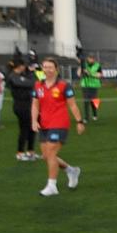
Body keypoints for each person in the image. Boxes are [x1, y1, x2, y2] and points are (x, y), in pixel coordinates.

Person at [31, 58, 85, 196]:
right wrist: (33, 120)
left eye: (50, 67)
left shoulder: (64, 86)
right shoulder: (38, 85)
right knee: (46, 156)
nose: (47, 70)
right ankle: (71, 171)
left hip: (59, 123)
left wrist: (79, 121)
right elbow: (35, 105)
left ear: (56, 69)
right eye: (45, 67)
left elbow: (72, 104)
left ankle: (52, 185)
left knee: (51, 153)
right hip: (44, 124)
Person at [5, 60, 38, 160]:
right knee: (24, 129)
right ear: (20, 66)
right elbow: (31, 83)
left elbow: (34, 82)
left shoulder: (23, 75)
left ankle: (30, 151)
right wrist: (31, 73)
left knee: (32, 128)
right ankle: (20, 152)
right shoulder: (13, 76)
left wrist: (30, 73)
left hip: (29, 104)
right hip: (21, 105)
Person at [79, 54, 102, 122]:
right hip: (85, 86)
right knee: (86, 102)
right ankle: (86, 117)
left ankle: (95, 114)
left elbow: (99, 75)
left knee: (94, 101)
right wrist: (81, 69)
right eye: (90, 58)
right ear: (87, 58)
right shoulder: (84, 65)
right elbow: (78, 74)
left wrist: (90, 74)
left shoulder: (97, 65)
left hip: (94, 86)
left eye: (92, 58)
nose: (91, 59)